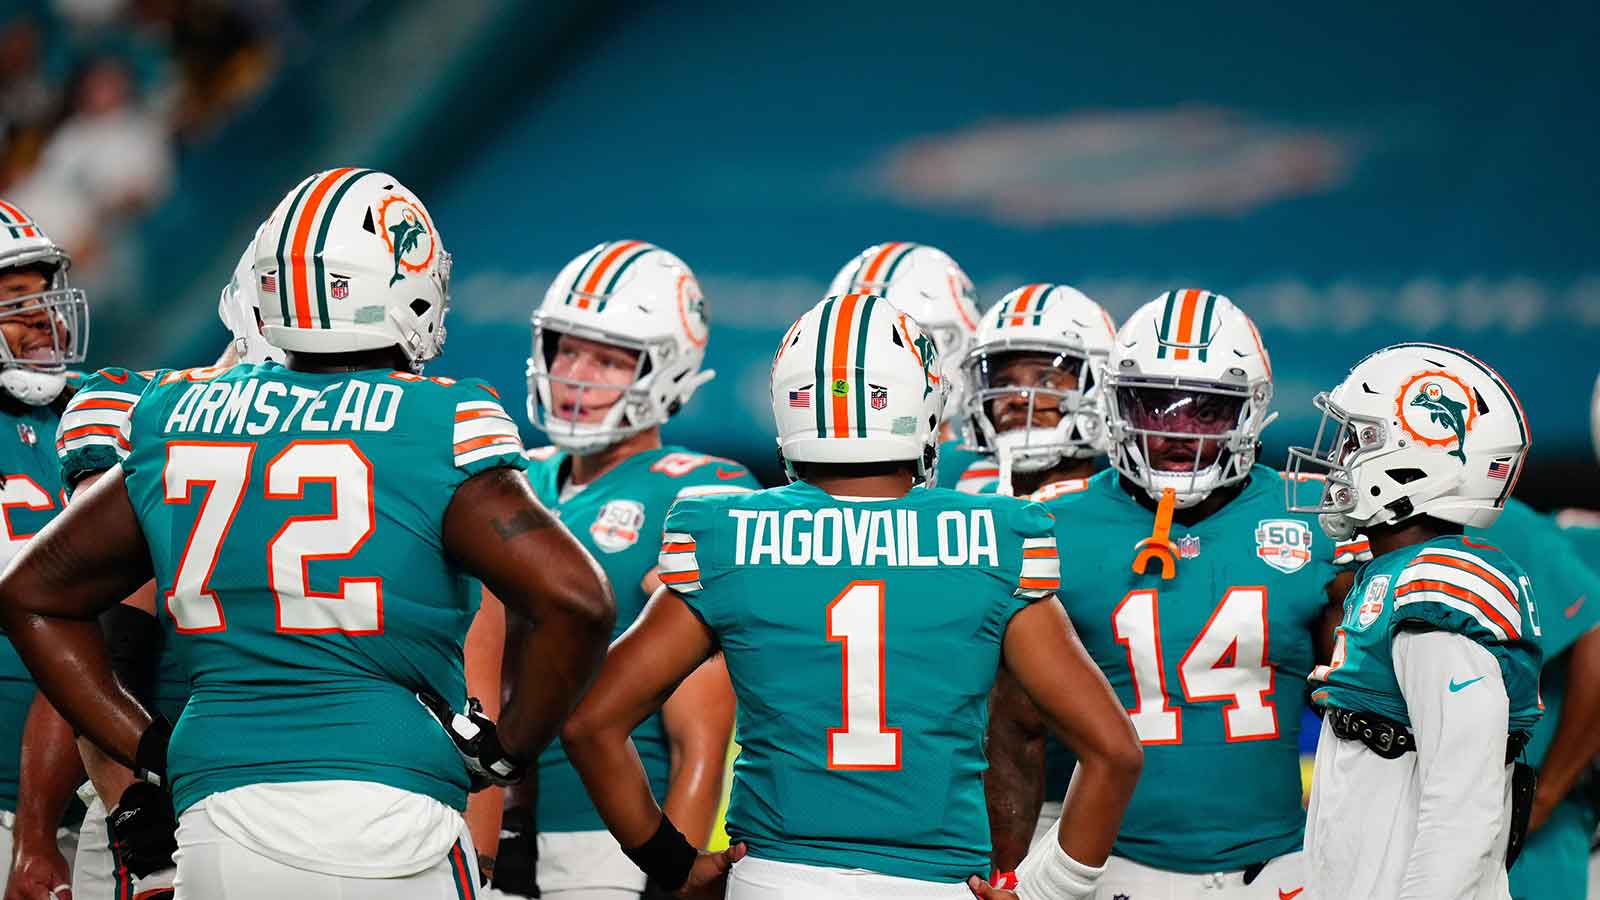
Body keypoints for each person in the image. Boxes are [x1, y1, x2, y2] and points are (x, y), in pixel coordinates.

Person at [0, 168, 616, 898]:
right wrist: (507, 752)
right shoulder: (437, 421)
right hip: (388, 811)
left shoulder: (172, 417)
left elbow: (40, 597)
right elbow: (577, 601)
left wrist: (150, 749)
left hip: (216, 815)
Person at [561, 293, 1142, 900]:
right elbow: (1114, 752)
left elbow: (591, 725)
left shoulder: (726, 532)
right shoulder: (994, 534)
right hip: (934, 884)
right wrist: (1047, 892)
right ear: (921, 403)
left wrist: (674, 864)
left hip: (774, 878)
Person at [987, 290, 1355, 898]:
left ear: (1251, 411)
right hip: (1106, 867)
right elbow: (1016, 729)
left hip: (1285, 867)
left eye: (1206, 411)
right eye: (1154, 406)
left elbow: (1363, 718)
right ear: (1116, 404)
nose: (1177, 432)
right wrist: (1009, 872)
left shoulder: (1321, 517)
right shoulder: (1049, 523)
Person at [504, 240, 758, 900]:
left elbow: (702, 735)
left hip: (605, 841)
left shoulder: (700, 496)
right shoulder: (508, 478)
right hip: (478, 822)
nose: (577, 375)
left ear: (666, 371)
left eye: (610, 360)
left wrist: (673, 873)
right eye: (568, 349)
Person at [1286, 341, 1542, 899]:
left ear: (1420, 458)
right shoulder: (1393, 573)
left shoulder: (1437, 592)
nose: (1341, 458)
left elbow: (1463, 809)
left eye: (1360, 440)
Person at [0, 199, 89, 899]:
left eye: (43, 297)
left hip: (103, 800)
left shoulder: (102, 409)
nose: (41, 319)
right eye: (12, 303)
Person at [826, 242, 988, 491]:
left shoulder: (981, 478)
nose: (858, 364)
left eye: (895, 345)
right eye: (846, 343)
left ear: (952, 349)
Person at [957, 282, 1116, 500]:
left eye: (1047, 382)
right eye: (1004, 384)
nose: (1018, 398)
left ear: (1098, 388)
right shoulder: (964, 502)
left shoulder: (1134, 518)